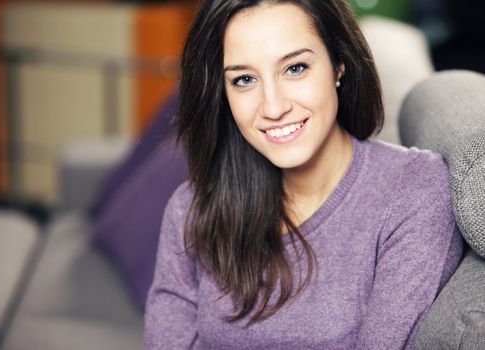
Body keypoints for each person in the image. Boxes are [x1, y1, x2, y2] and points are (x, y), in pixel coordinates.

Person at [143, 0, 463, 349]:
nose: (274, 107)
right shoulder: (192, 208)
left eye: (295, 68)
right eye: (244, 79)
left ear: (339, 64)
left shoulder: (412, 191)